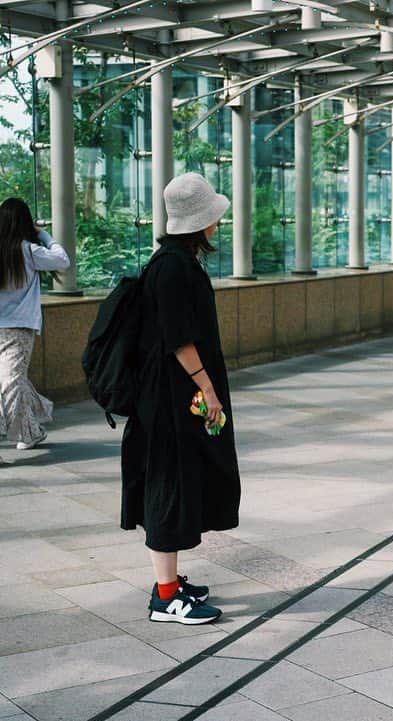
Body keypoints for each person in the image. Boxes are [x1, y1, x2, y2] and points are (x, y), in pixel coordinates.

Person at [121, 172, 240, 625]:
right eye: (213, 216)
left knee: (178, 479)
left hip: (173, 395)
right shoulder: (173, 267)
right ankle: (166, 597)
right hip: (171, 398)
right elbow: (177, 338)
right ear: (199, 222)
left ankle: (170, 583)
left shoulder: (174, 260)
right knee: (167, 485)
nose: (218, 223)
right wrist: (207, 388)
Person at [0, 197, 70, 459]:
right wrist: (45, 235)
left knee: (9, 381)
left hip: (18, 329)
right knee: (11, 380)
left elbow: (62, 262)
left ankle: (23, 428)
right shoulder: (29, 250)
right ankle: (31, 429)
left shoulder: (27, 251)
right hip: (16, 327)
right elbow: (63, 259)